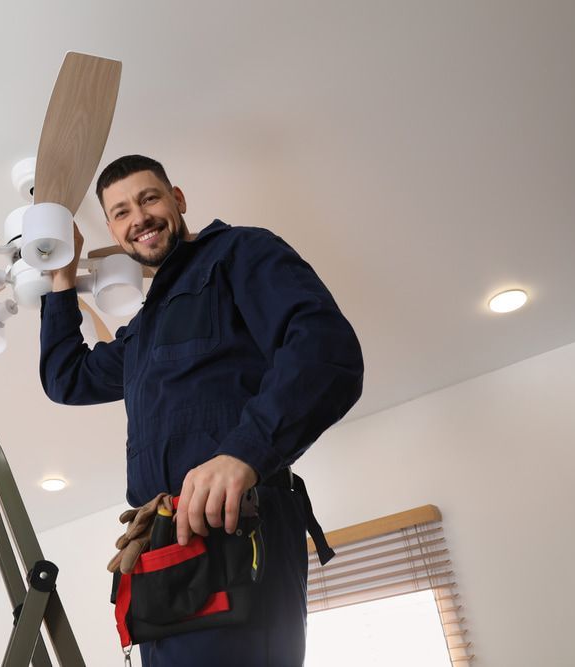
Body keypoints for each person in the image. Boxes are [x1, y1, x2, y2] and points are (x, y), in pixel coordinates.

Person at [38, 155, 364, 666]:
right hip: (162, 546)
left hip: (236, 529)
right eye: (120, 212)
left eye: (148, 198)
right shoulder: (143, 331)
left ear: (178, 199)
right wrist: (61, 277)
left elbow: (326, 352)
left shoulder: (240, 253)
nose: (138, 218)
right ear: (112, 230)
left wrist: (244, 453)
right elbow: (66, 378)